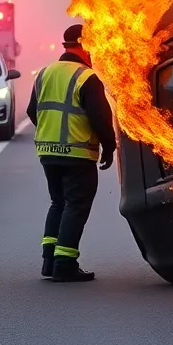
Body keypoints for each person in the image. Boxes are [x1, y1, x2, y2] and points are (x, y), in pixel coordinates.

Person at [26, 24, 116, 282]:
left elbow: (34, 111)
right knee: (76, 206)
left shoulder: (45, 73)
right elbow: (100, 118)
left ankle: (49, 261)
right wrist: (109, 146)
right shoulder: (86, 77)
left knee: (59, 203)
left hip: (48, 153)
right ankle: (64, 264)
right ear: (84, 46)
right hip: (77, 155)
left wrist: (52, 137)